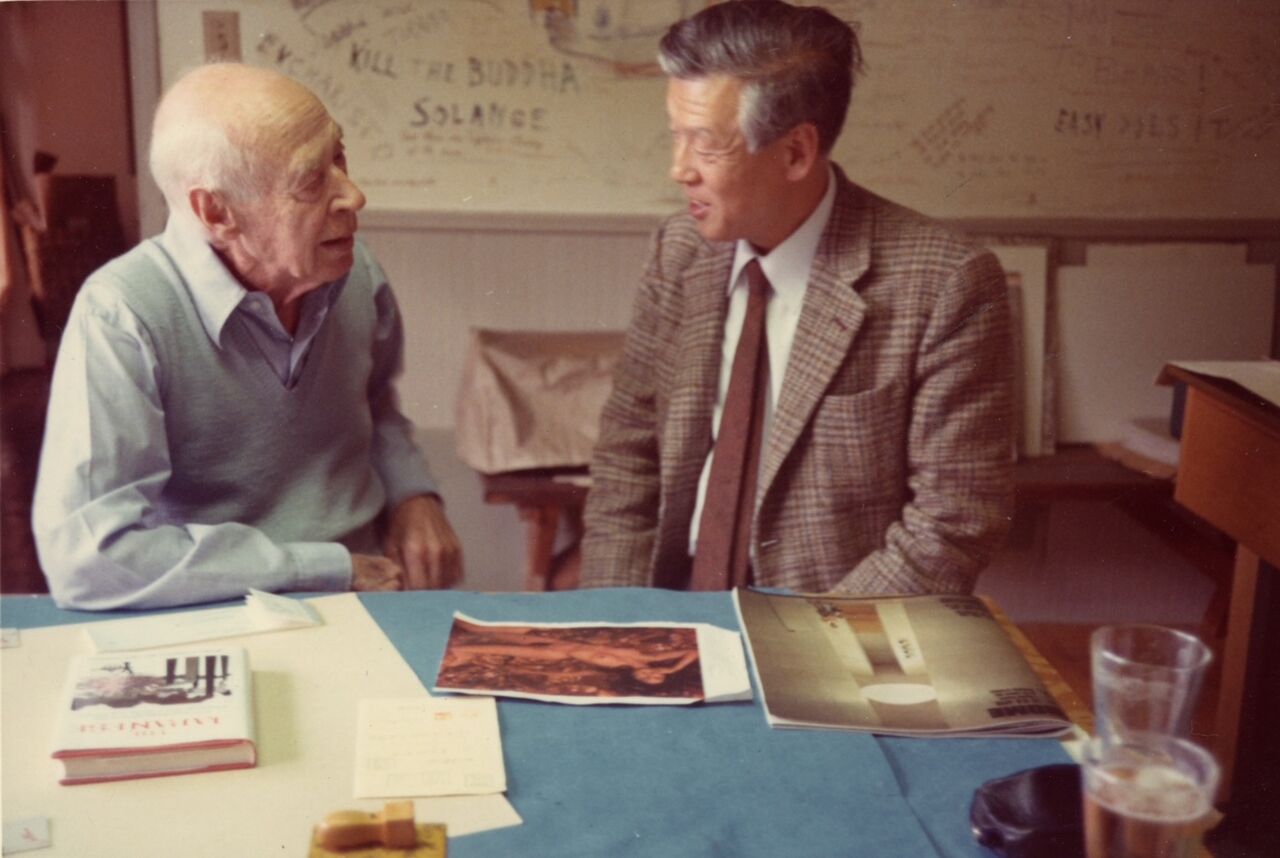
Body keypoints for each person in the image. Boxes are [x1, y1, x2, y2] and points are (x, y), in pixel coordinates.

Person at [580, 1, 1014, 595]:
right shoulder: (677, 251)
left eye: (706, 146)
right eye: (677, 137)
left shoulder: (944, 282)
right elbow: (626, 459)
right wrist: (620, 618)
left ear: (796, 152)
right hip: (674, 603)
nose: (679, 170)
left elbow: (952, 524)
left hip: (833, 621)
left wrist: (807, 641)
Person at [33, 63, 462, 610]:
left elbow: (375, 404)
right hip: (214, 606)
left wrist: (412, 494)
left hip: (370, 588)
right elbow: (89, 559)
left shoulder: (357, 274)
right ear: (217, 212)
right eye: (312, 180)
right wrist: (320, 569)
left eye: (340, 157)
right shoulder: (122, 314)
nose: (353, 196)